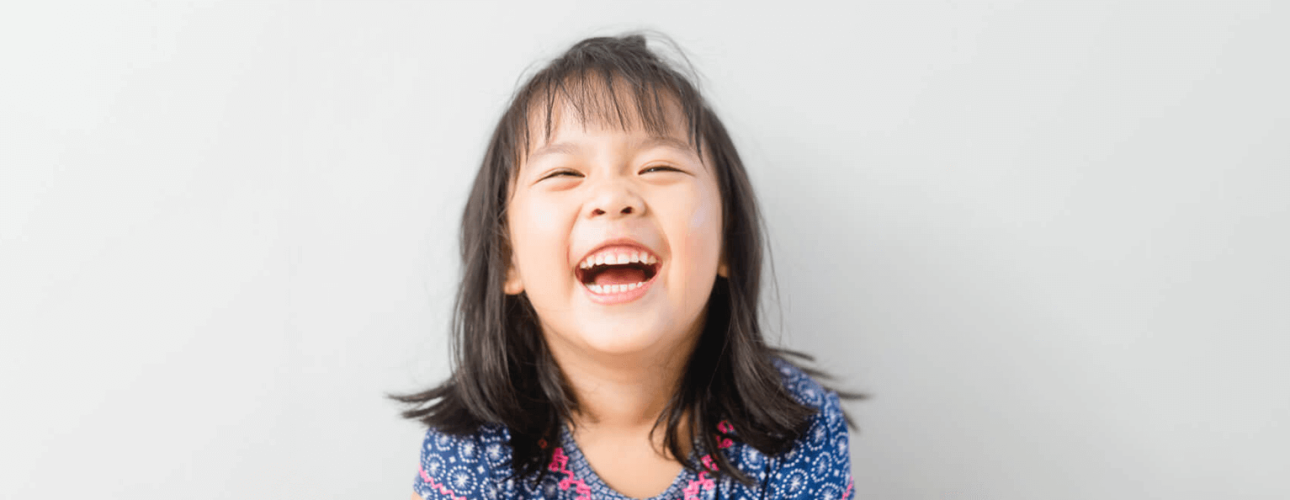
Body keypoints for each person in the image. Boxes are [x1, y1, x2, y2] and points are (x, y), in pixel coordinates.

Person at [393, 33, 856, 500]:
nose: (613, 198)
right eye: (564, 174)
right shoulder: (476, 446)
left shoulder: (795, 428)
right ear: (508, 257)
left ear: (726, 244)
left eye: (657, 168)